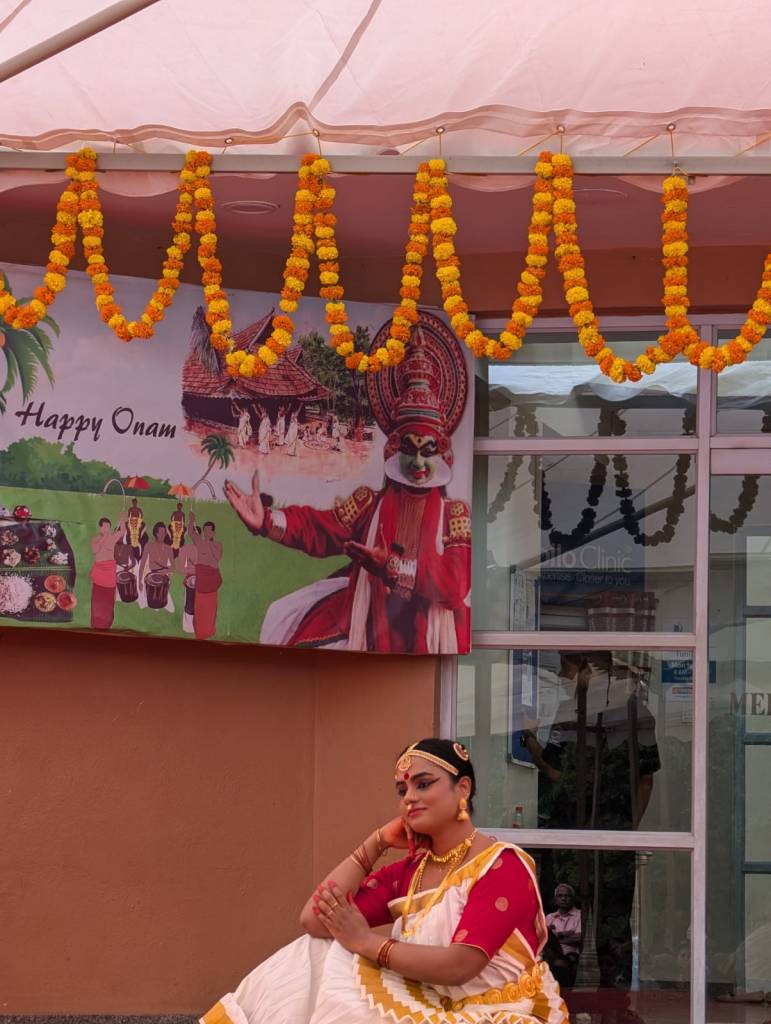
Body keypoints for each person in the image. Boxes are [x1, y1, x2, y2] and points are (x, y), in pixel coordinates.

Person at [200, 738, 568, 1024]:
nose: (410, 798)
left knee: (342, 969)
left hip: (495, 1012)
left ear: (463, 788)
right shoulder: (412, 872)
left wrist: (366, 942)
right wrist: (375, 843)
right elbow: (314, 920)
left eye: (423, 784)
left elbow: (460, 966)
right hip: (429, 1006)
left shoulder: (501, 865)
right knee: (315, 951)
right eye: (402, 791)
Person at [223, 340, 471, 654]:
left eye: (428, 451)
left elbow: (454, 586)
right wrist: (268, 521)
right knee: (287, 622)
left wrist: (391, 567)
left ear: (442, 454)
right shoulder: (369, 502)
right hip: (367, 627)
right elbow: (320, 529)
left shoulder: (455, 515)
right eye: (410, 449)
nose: (419, 462)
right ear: (396, 450)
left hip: (432, 639)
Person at [522, 652, 661, 999]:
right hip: (612, 838)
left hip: (570, 836)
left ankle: (561, 1001)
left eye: (567, 669)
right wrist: (628, 826)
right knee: (612, 927)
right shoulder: (636, 714)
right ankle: (616, 1005)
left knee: (565, 924)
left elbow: (556, 774)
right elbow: (645, 779)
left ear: (589, 669)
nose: (563, 677)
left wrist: (530, 742)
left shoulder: (569, 713)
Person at [188, 511, 223, 640]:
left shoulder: (217, 544)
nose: (206, 533)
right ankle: (199, 633)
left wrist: (209, 543)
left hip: (212, 580)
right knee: (200, 607)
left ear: (213, 532)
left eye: (209, 531)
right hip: (202, 579)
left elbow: (217, 557)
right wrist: (191, 520)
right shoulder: (200, 542)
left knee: (211, 608)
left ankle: (209, 631)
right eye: (205, 531)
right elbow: (191, 532)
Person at [89, 513, 126, 629]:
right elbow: (95, 550)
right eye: (105, 527)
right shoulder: (95, 539)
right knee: (97, 599)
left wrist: (122, 520)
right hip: (99, 572)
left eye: (109, 527)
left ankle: (106, 625)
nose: (107, 529)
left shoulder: (112, 538)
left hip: (109, 572)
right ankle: (95, 624)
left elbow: (122, 532)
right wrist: (103, 539)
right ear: (100, 527)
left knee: (108, 600)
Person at [544, 884, 582, 989]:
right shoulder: (549, 917)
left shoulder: (580, 915)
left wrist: (556, 937)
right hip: (549, 955)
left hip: (571, 955)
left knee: (559, 966)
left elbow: (579, 938)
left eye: (567, 896)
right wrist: (567, 934)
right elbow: (543, 938)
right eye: (560, 896)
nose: (563, 898)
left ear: (573, 898)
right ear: (555, 899)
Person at [138, 521, 175, 612]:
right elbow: (142, 565)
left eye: (164, 533)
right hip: (151, 575)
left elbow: (173, 566)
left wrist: (165, 571)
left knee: (170, 608)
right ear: (155, 533)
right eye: (160, 533)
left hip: (163, 576)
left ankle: (162, 600)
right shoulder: (148, 546)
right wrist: (139, 581)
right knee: (146, 603)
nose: (163, 535)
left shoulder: (168, 548)